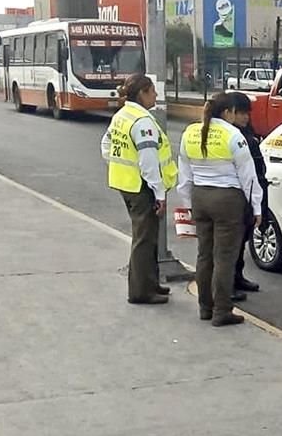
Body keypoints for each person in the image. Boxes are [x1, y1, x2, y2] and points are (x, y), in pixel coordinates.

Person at [178, 93, 263, 327]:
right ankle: (222, 311)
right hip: (227, 199)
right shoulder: (233, 136)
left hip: (200, 197)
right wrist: (256, 207)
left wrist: (188, 204)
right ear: (228, 112)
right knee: (224, 257)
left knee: (204, 255)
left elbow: (184, 175)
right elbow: (249, 177)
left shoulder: (191, 132)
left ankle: (205, 307)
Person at [101, 74, 178, 305]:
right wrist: (159, 194)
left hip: (127, 184)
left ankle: (151, 283)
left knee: (148, 237)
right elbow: (149, 163)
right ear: (143, 93)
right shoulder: (142, 122)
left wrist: (119, 163)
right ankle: (140, 292)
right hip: (142, 187)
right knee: (144, 240)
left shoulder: (122, 115)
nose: (155, 95)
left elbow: (106, 145)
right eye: (152, 91)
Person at [226, 91, 269, 293]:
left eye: (247, 113)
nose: (245, 117)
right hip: (236, 196)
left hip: (251, 194)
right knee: (231, 244)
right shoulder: (232, 137)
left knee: (242, 240)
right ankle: (228, 283)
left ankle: (237, 277)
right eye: (241, 113)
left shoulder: (249, 135)